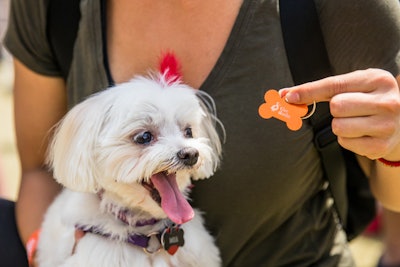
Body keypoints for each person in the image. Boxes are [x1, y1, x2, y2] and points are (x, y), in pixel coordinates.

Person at [1, 0, 400, 266]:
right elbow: (39, 169)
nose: (187, 151)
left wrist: (396, 143)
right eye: (144, 137)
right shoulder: (50, 7)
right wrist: (47, 249)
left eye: (190, 131)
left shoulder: (342, 9)